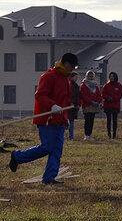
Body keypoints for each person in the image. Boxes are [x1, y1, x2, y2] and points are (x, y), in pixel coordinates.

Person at [10, 52, 78, 184]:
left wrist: (66, 118)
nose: (73, 69)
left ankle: (49, 178)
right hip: (46, 119)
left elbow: (65, 101)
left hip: (59, 120)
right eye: (73, 67)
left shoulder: (67, 79)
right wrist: (52, 105)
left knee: (57, 149)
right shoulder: (48, 76)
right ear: (67, 64)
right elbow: (40, 95)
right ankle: (18, 156)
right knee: (47, 147)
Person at [79, 70, 103, 140]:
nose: (91, 77)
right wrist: (90, 101)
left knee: (92, 120)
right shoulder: (83, 85)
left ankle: (90, 134)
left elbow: (99, 94)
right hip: (87, 105)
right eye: (90, 76)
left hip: (94, 105)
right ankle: (86, 134)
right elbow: (83, 95)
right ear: (87, 76)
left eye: (92, 76)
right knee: (87, 120)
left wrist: (98, 101)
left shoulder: (95, 85)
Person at [102, 72, 122, 138]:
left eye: (113, 76)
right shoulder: (106, 85)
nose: (111, 78)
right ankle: (109, 134)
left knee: (114, 120)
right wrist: (108, 98)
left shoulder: (119, 85)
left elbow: (120, 94)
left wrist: (114, 98)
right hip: (107, 105)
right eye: (110, 76)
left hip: (115, 105)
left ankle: (114, 134)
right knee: (108, 120)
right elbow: (103, 94)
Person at [67, 72, 80, 140]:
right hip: (68, 106)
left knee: (71, 121)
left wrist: (78, 104)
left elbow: (78, 96)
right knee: (67, 121)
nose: (76, 78)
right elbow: (68, 95)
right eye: (75, 77)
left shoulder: (76, 85)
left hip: (74, 106)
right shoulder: (69, 84)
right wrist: (70, 102)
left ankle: (71, 136)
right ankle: (67, 135)